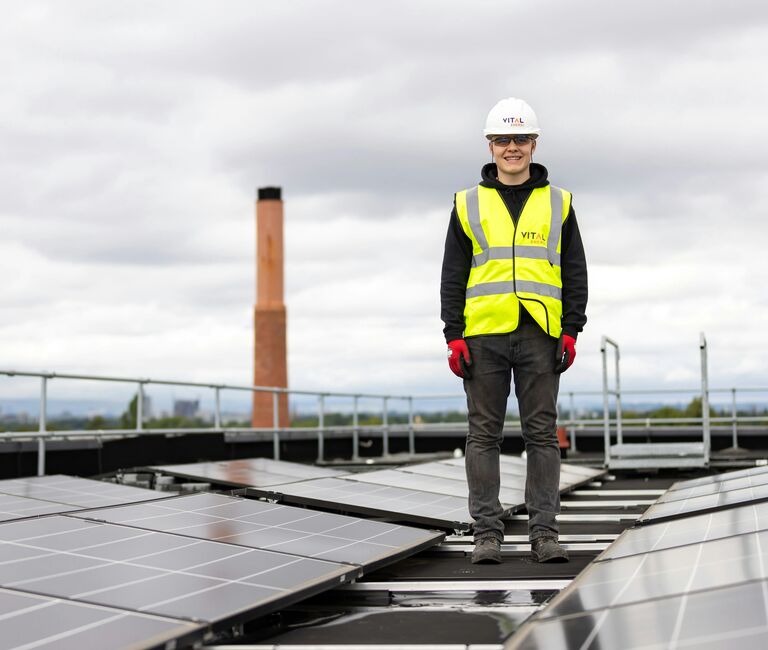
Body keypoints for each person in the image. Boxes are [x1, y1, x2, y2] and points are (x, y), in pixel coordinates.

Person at [440, 97, 588, 564]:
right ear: (490, 145)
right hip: (483, 335)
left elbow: (575, 270)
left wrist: (572, 329)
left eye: (520, 138)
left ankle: (545, 534)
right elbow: (453, 274)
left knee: (541, 434)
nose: (512, 147)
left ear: (534, 144)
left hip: (541, 334)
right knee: (483, 435)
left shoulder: (559, 202)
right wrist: (453, 335)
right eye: (503, 139)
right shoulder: (467, 203)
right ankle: (487, 534)